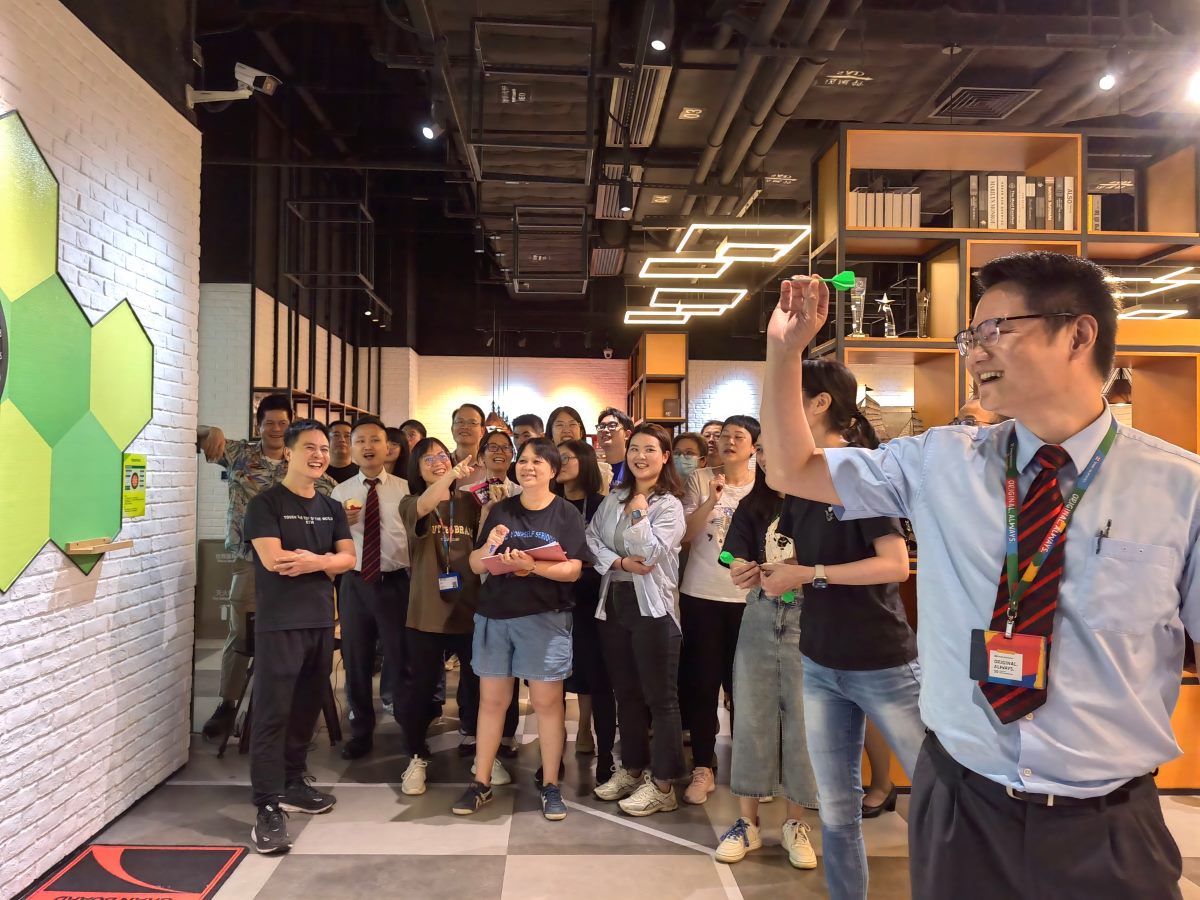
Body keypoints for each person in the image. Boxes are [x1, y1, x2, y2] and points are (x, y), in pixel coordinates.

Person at [762, 252, 1200, 900]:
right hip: (962, 806)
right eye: (970, 336)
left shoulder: (1179, 488)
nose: (974, 352)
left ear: (1079, 334)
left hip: (1108, 826)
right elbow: (792, 468)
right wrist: (783, 352)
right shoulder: (942, 461)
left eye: (996, 330)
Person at [765, 358, 922, 899]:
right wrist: (771, 574)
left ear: (819, 403)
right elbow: (801, 564)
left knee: (938, 791)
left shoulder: (858, 468)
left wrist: (810, 574)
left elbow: (895, 564)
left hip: (882, 659)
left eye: (786, 400)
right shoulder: (800, 480)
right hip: (820, 659)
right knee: (835, 807)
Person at [455, 438, 591, 822]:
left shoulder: (564, 514)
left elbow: (573, 569)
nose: (528, 467)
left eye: (537, 461)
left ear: (552, 470)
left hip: (545, 619)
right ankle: (480, 782)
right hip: (495, 617)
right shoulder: (501, 509)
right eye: (524, 460)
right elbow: (478, 565)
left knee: (548, 704)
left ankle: (550, 784)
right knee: (492, 702)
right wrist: (491, 548)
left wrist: (531, 566)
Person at [242, 419, 355, 854]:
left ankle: (293, 782)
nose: (319, 455)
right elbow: (273, 560)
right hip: (279, 622)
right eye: (309, 447)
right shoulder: (265, 504)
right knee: (274, 712)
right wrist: (320, 562)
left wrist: (316, 561)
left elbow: (348, 558)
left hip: (321, 621)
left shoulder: (329, 507)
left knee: (307, 708)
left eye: (324, 449)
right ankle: (267, 805)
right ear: (288, 452)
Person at [196, 393, 336, 741]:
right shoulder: (241, 454)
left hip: (300, 568)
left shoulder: (311, 469)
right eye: (269, 422)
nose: (275, 428)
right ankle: (227, 706)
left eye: (282, 423)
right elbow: (184, 430)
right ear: (259, 425)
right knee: (241, 637)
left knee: (295, 639)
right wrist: (207, 429)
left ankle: (286, 713)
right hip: (250, 562)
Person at [714, 440, 819, 871]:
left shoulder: (818, 499)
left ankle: (797, 823)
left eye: (773, 447)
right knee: (753, 714)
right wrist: (738, 566)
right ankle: (746, 821)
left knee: (802, 718)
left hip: (811, 613)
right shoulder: (752, 504)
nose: (765, 456)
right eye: (761, 450)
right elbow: (732, 553)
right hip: (760, 609)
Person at [586, 424, 687, 817]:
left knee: (660, 699)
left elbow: (653, 555)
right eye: (634, 449)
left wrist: (641, 513)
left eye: (650, 449)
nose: (640, 456)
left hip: (653, 610)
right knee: (624, 693)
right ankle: (631, 769)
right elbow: (591, 538)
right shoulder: (613, 498)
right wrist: (618, 562)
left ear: (665, 457)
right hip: (613, 601)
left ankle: (663, 784)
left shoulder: (670, 506)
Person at [397, 438, 495, 795]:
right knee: (420, 689)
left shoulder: (468, 502)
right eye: (428, 459)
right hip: (426, 614)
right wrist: (450, 475)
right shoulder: (411, 503)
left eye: (442, 455)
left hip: (469, 610)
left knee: (479, 686)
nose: (437, 462)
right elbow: (427, 503)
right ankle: (416, 756)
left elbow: (485, 541)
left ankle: (481, 751)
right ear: (416, 468)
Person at [678, 415, 760, 804]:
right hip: (701, 594)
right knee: (703, 681)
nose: (728, 442)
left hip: (750, 598)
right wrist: (712, 498)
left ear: (753, 446)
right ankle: (702, 766)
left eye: (737, 437)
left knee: (745, 685)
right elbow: (685, 536)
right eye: (723, 435)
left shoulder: (767, 482)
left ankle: (751, 767)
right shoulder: (698, 479)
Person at [329, 416, 411, 760]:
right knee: (356, 659)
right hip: (355, 582)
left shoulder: (405, 488)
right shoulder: (339, 492)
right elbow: (328, 543)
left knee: (401, 659)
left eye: (375, 440)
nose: (367, 447)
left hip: (395, 582)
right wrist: (340, 528)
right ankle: (360, 730)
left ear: (387, 447)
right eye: (360, 440)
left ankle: (411, 730)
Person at [555, 439, 614, 771]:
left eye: (568, 457)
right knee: (553, 676)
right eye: (557, 457)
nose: (560, 462)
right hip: (552, 596)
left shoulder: (603, 505)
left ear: (587, 462)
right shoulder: (546, 502)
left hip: (593, 595)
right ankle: (554, 752)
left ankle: (605, 757)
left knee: (597, 675)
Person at [450, 404, 486, 487]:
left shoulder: (489, 465)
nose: (465, 427)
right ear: (452, 429)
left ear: (482, 431)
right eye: (459, 422)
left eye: (472, 423)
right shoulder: (443, 464)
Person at [596, 407, 632, 482]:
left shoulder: (634, 469)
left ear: (627, 435)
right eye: (601, 427)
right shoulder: (595, 471)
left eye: (612, 426)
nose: (605, 430)